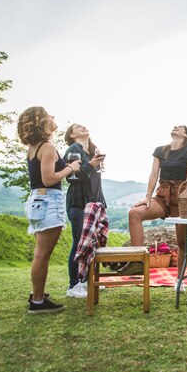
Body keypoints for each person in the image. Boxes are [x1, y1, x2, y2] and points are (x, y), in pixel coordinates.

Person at [128, 125, 187, 292]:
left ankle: (180, 281)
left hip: (183, 199)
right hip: (163, 195)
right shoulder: (160, 150)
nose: (175, 127)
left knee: (182, 242)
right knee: (134, 213)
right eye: (175, 126)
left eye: (180, 127)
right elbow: (153, 174)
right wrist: (148, 196)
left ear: (186, 134)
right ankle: (137, 261)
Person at [18, 106, 81, 314]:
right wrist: (71, 168)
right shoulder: (47, 147)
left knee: (40, 253)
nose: (54, 116)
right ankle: (37, 301)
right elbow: (49, 179)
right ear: (41, 122)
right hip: (48, 200)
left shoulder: (35, 147)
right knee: (42, 255)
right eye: (49, 115)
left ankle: (38, 293)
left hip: (38, 199)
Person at [63, 124, 106, 298]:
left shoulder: (93, 150)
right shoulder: (73, 149)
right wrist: (90, 165)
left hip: (94, 203)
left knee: (91, 244)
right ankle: (73, 285)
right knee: (79, 243)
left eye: (84, 126)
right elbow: (72, 177)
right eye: (78, 127)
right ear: (72, 135)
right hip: (79, 202)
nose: (83, 127)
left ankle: (87, 280)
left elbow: (96, 181)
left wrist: (101, 202)